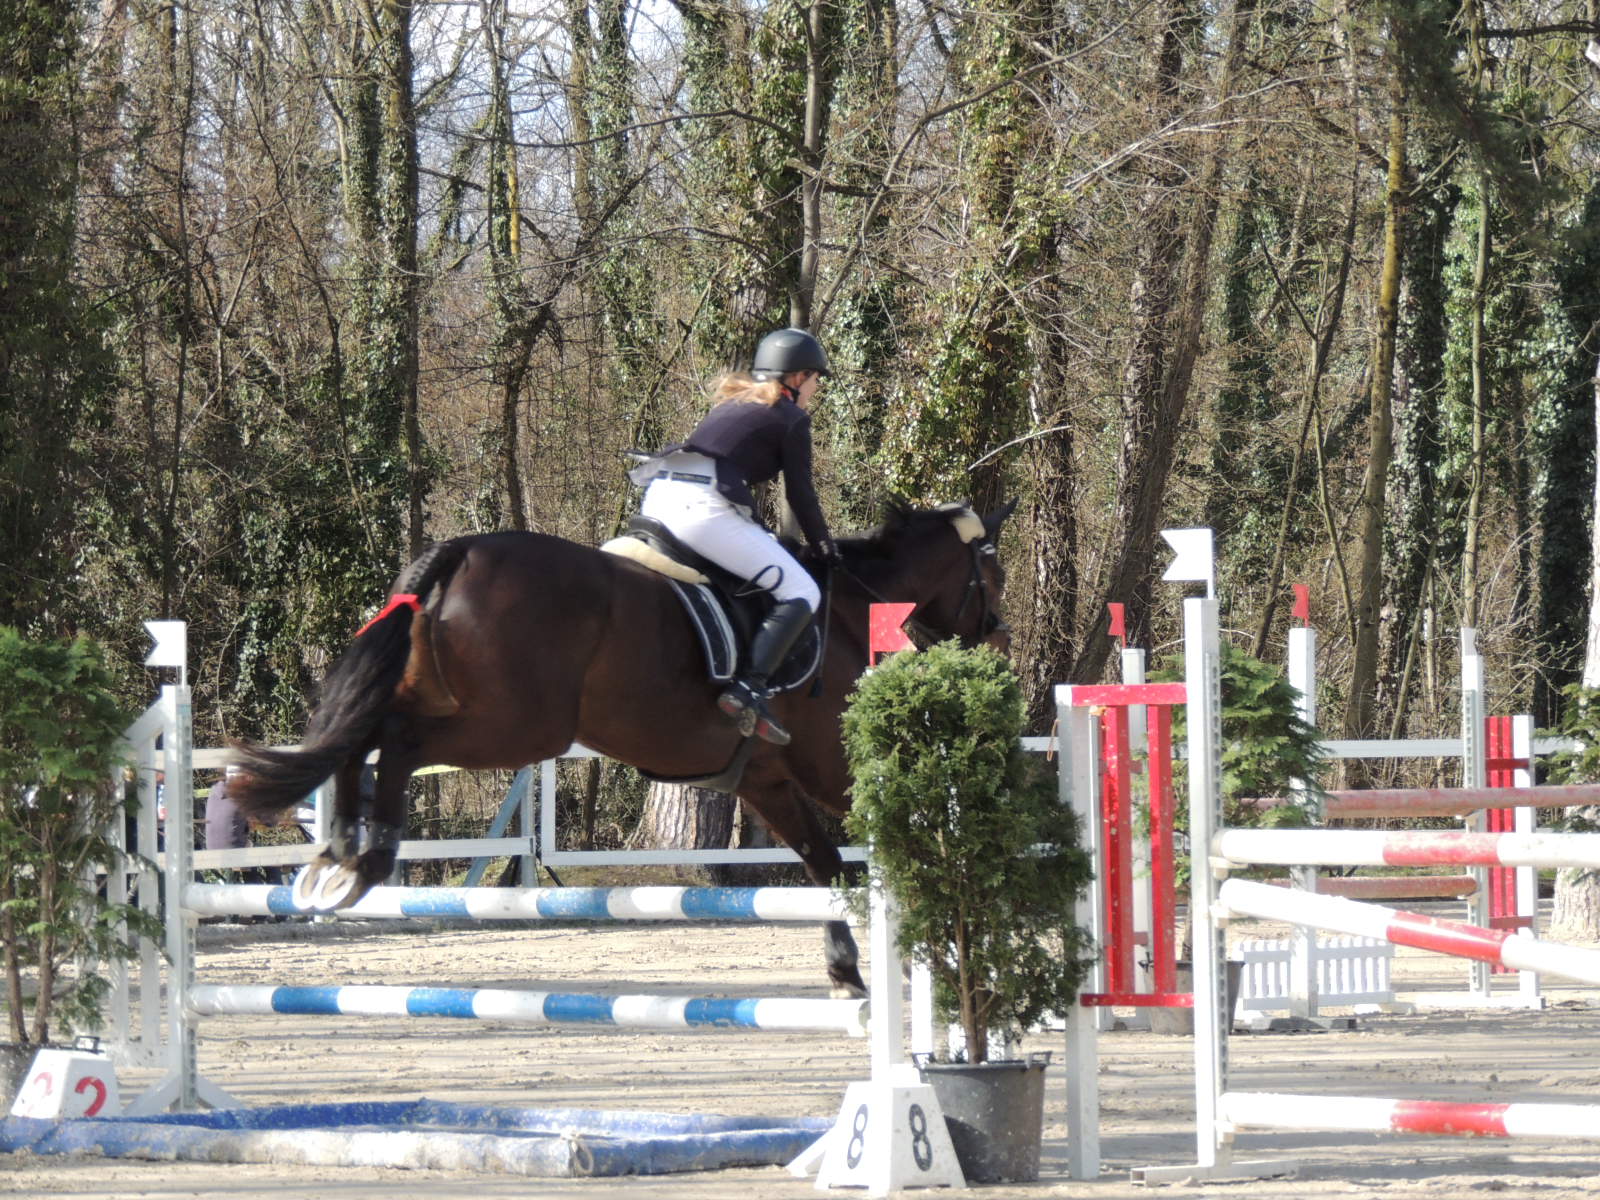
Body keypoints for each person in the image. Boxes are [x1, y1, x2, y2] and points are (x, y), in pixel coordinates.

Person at [634, 327, 837, 746]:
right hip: (701, 510)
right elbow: (800, 495)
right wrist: (824, 546)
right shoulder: (791, 418)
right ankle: (748, 689)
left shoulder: (735, 403)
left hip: (658, 497)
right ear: (797, 377)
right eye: (816, 379)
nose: (816, 389)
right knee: (802, 590)